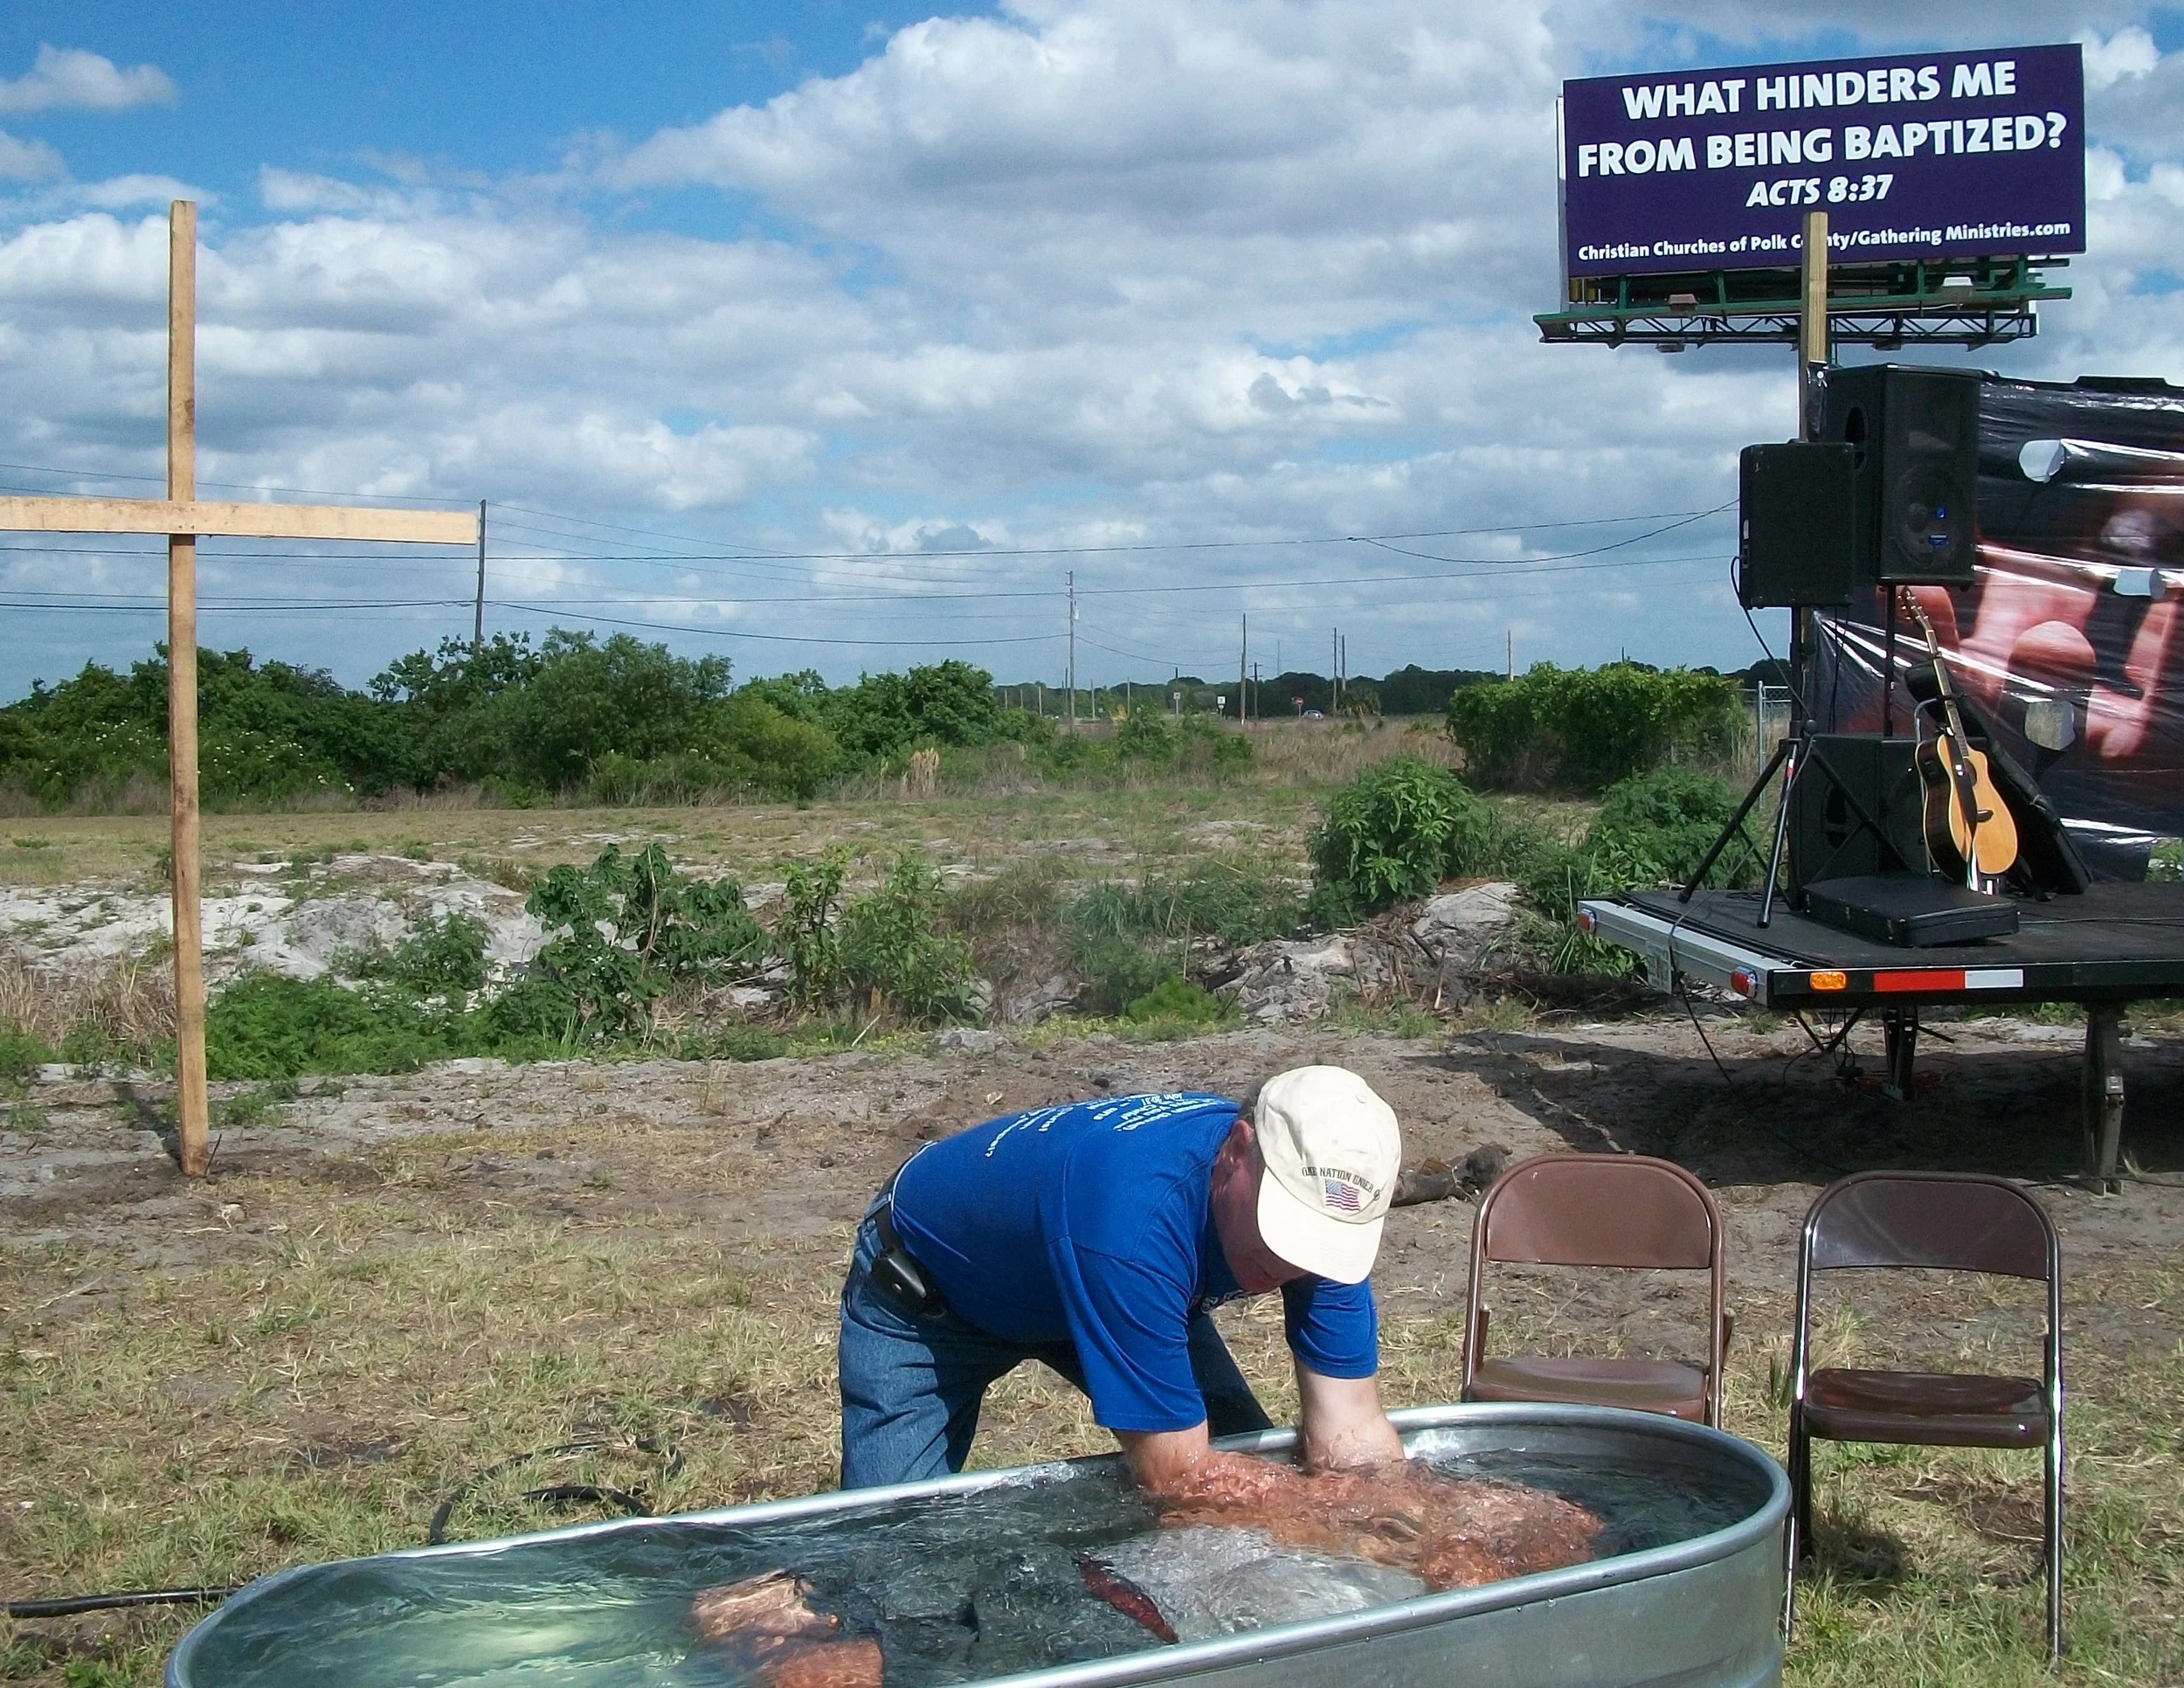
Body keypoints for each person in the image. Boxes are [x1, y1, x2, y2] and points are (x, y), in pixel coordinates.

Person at [836, 1065, 1406, 1500]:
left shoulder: (1328, 1215)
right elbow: (1178, 1476)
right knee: (886, 1544)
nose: (1290, 1264)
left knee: (1246, 1456)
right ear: (1237, 1151)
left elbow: (1351, 1431)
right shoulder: (1131, 1224)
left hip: (1104, 1275)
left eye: (1316, 1241)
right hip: (929, 1293)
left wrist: (1407, 1522)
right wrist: (1319, 1517)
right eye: (1283, 1227)